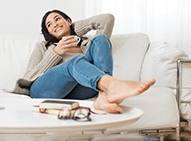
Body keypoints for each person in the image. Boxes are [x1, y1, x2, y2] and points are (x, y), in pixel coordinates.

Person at [12, 9, 155, 113]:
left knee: (101, 39)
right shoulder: (43, 47)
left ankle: (104, 95)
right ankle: (110, 87)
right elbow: (29, 75)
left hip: (79, 90)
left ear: (68, 21)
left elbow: (107, 19)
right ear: (49, 33)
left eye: (57, 19)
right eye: (49, 25)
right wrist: (55, 53)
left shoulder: (86, 44)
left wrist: (77, 28)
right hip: (44, 90)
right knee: (74, 62)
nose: (54, 24)